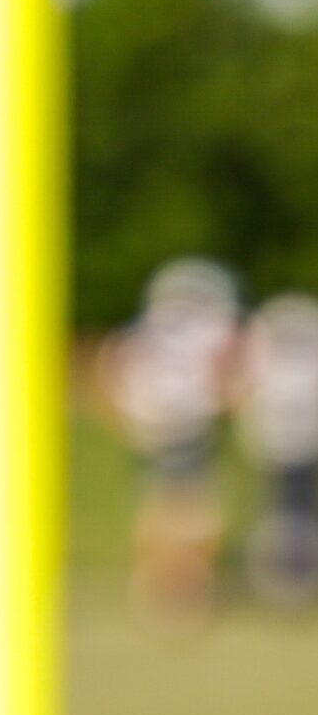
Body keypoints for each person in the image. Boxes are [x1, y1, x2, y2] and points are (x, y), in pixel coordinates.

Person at [99, 257, 242, 618]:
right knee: (194, 507)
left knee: (157, 502)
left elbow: (112, 373)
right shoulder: (212, 329)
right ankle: (184, 584)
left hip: (149, 427)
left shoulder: (142, 329)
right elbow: (228, 380)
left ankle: (158, 581)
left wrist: (129, 419)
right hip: (190, 425)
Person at [236, 292, 318, 604]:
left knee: (299, 512)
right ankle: (279, 575)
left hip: (302, 446)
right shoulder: (265, 361)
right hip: (273, 447)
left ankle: (298, 575)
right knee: (276, 513)